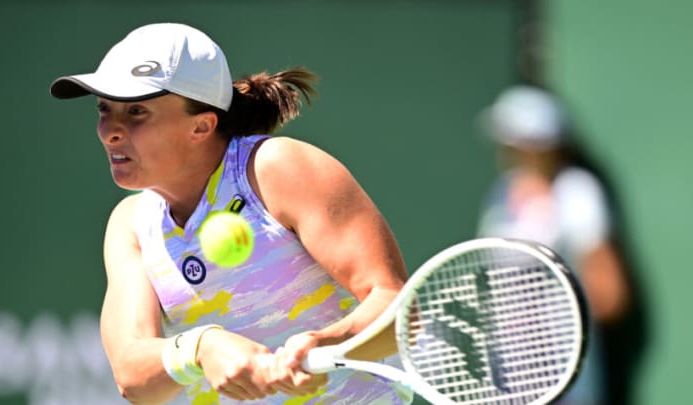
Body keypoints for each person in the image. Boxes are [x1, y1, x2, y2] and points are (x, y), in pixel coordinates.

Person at [50, 23, 413, 405]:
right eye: (104, 109)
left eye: (137, 111)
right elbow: (131, 375)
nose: (110, 131)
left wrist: (324, 343)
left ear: (202, 125)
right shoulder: (131, 225)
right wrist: (200, 349)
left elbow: (396, 306)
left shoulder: (277, 169)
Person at [476, 85, 648, 405]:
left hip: (566, 385)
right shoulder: (501, 192)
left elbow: (610, 295)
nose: (508, 150)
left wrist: (543, 324)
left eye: (517, 141)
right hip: (505, 383)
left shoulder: (578, 192)